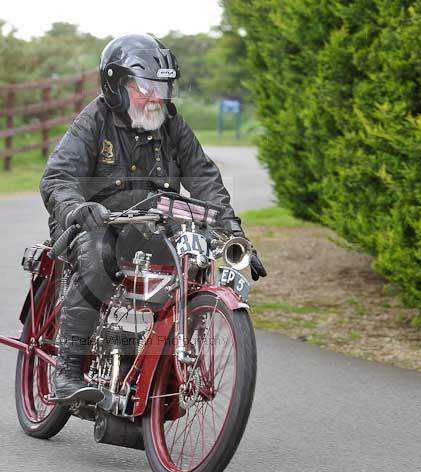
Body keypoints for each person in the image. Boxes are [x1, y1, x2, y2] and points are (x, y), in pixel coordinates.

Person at [39, 34, 267, 402]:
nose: (156, 97)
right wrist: (76, 208)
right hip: (97, 223)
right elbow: (58, 178)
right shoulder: (94, 120)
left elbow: (204, 177)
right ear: (116, 85)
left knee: (195, 258)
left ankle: (161, 368)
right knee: (98, 255)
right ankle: (67, 371)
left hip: (153, 224)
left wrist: (232, 232)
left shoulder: (171, 123)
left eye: (162, 88)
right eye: (145, 88)